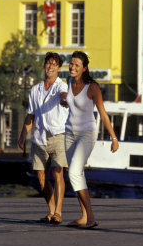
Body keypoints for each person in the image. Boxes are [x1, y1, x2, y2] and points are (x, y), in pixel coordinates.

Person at [60, 51, 119, 229]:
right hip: (69, 133)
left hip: (87, 133)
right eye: (71, 63)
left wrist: (114, 137)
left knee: (74, 173)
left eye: (77, 64)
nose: (72, 66)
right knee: (77, 175)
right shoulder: (69, 82)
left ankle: (91, 217)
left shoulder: (92, 87)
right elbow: (71, 104)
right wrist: (64, 100)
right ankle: (84, 216)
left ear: (84, 68)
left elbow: (103, 113)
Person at [18, 52, 69, 224]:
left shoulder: (62, 87)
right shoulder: (35, 90)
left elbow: (64, 96)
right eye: (48, 63)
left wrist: (64, 101)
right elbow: (30, 115)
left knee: (58, 173)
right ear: (44, 65)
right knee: (41, 177)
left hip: (58, 135)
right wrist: (23, 135)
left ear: (59, 68)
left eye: (54, 64)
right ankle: (51, 210)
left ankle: (58, 213)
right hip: (39, 137)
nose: (50, 67)